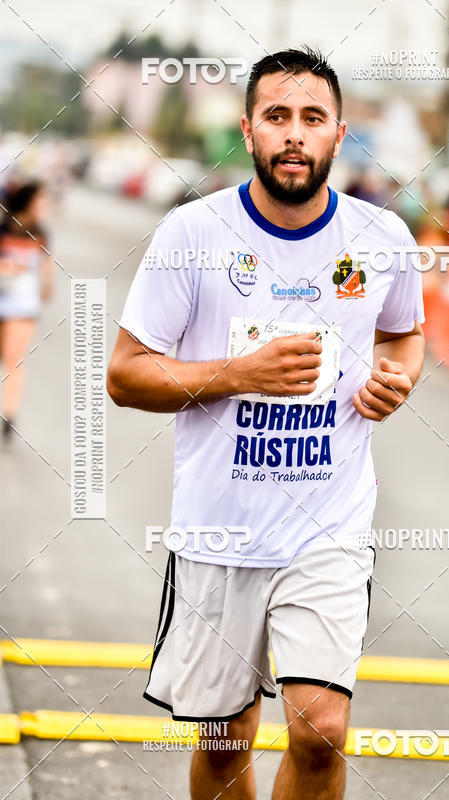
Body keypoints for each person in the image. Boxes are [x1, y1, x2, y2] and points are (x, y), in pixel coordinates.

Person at [107, 46, 425, 800]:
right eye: (276, 116)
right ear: (248, 130)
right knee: (224, 746)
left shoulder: (382, 238)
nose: (294, 133)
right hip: (219, 532)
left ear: (338, 135)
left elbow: (405, 334)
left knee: (321, 729)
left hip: (329, 528)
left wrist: (399, 377)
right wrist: (234, 376)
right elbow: (124, 375)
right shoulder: (191, 235)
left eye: (311, 118)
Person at [0, 180, 53, 442]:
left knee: (15, 359)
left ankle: (9, 415)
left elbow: (47, 271)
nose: (45, 206)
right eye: (41, 200)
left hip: (22, 308)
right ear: (27, 201)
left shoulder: (41, 233)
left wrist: (45, 283)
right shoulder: (3, 229)